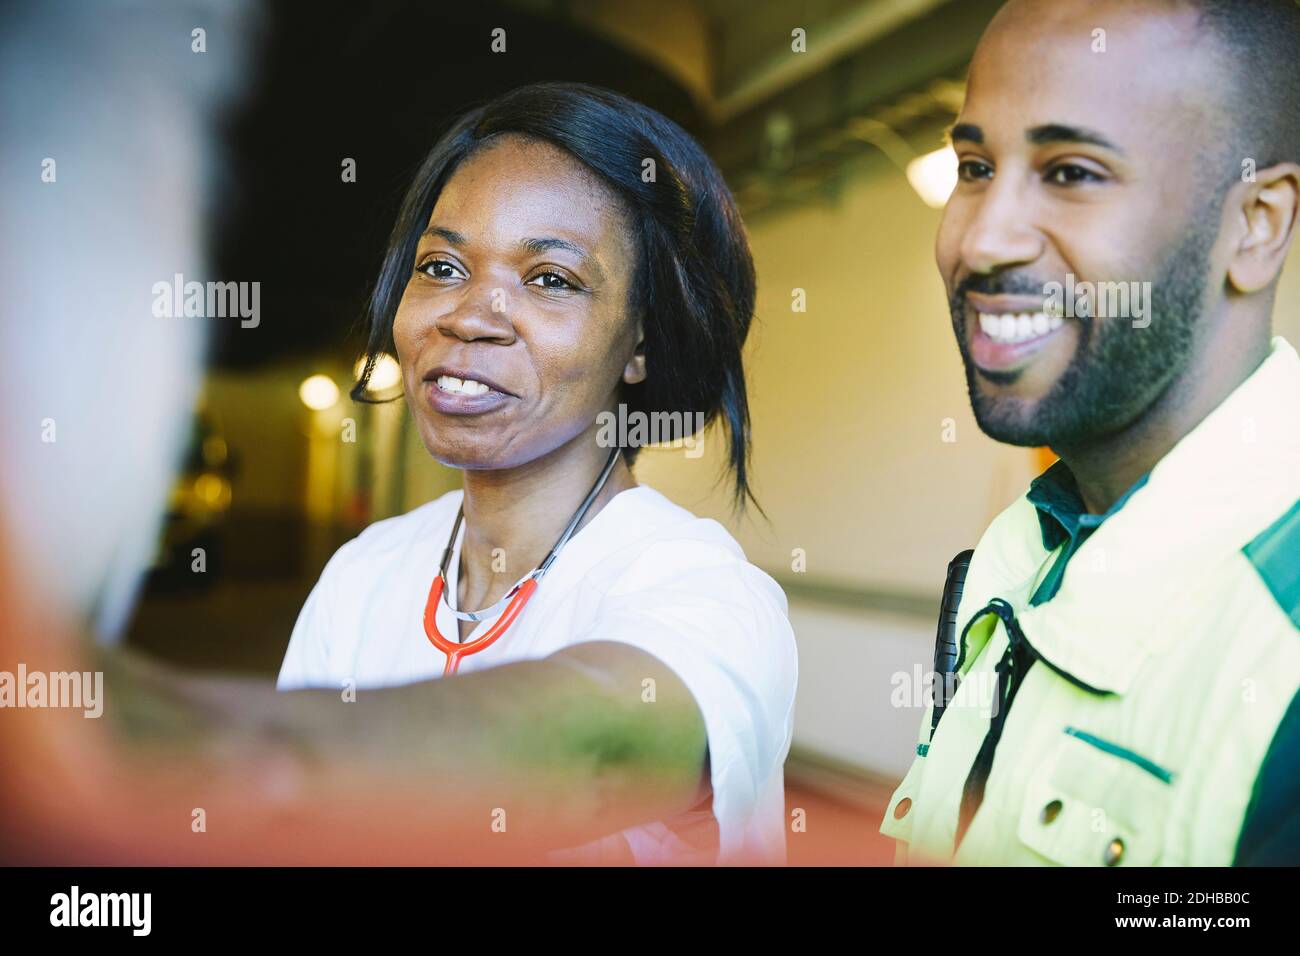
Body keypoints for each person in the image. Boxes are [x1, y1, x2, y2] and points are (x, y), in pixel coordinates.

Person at [275, 82, 797, 865]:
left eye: (550, 279)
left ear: (642, 341)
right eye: (442, 266)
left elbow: (588, 758)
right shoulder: (362, 577)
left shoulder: (705, 593)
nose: (469, 314)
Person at [881, 0, 1300, 865]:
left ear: (1256, 226)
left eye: (1071, 172)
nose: (981, 240)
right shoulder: (1023, 552)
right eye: (973, 166)